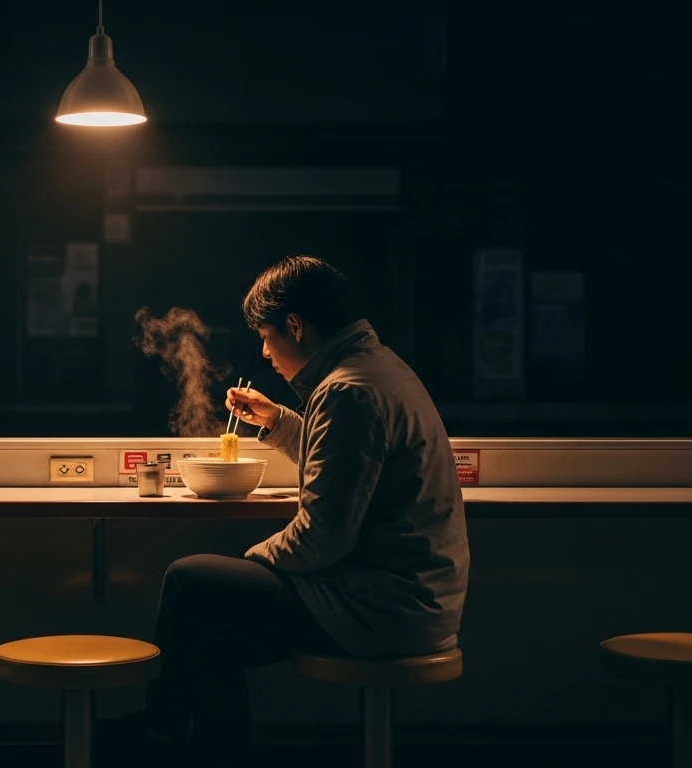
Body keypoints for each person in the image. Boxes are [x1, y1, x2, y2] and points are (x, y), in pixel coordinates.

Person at [112, 254, 470, 765]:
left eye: (265, 335)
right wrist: (279, 421)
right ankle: (199, 748)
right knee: (215, 636)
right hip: (413, 597)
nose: (264, 351)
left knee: (191, 581)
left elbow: (324, 536)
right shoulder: (378, 369)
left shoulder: (348, 391)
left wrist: (251, 561)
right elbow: (353, 462)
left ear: (296, 326)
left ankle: (159, 733)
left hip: (384, 608)